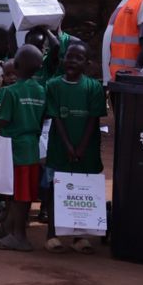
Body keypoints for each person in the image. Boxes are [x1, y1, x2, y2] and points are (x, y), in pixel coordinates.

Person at [43, 41, 107, 254]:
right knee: (57, 189)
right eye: (69, 56)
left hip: (86, 149)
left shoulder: (94, 87)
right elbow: (57, 118)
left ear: (87, 64)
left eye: (78, 58)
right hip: (60, 147)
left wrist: (80, 147)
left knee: (83, 191)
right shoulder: (53, 85)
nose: (72, 61)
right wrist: (69, 146)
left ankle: (80, 237)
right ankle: (52, 234)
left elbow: (93, 119)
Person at [0, 45, 47, 253]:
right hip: (31, 147)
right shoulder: (41, 90)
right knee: (22, 193)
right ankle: (9, 229)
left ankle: (19, 236)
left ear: (18, 65)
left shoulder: (11, 92)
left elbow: (3, 122)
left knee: (18, 195)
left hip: (15, 148)